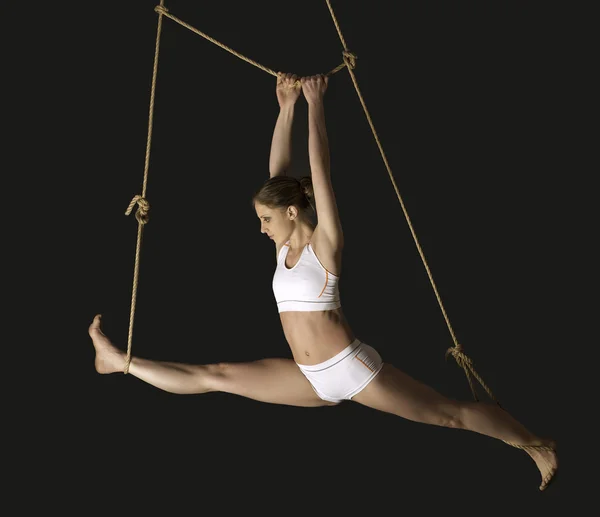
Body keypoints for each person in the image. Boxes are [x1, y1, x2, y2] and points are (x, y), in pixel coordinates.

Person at [89, 72, 557, 491]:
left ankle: (536, 444)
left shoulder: (324, 246)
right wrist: (285, 106)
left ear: (293, 213)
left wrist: (315, 105)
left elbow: (320, 173)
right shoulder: (283, 246)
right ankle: (119, 362)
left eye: (265, 218)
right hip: (311, 379)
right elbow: (277, 175)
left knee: (449, 415)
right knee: (217, 376)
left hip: (351, 369)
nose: (260, 228)